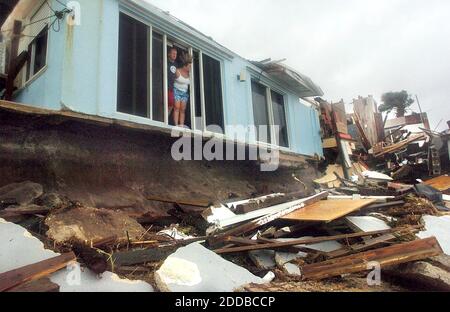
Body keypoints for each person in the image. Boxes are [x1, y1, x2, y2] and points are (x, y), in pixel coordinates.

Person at [173, 53, 192, 127]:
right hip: (176, 91)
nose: (190, 68)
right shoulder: (177, 71)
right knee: (177, 107)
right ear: (185, 66)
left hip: (184, 92)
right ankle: (176, 124)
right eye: (189, 66)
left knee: (183, 109)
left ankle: (181, 125)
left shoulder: (190, 74)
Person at [167, 47, 178, 114]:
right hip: (166, 87)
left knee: (173, 104)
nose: (174, 55)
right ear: (169, 54)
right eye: (173, 53)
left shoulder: (176, 64)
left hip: (173, 88)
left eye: (176, 54)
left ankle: (166, 118)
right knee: (169, 102)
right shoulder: (166, 62)